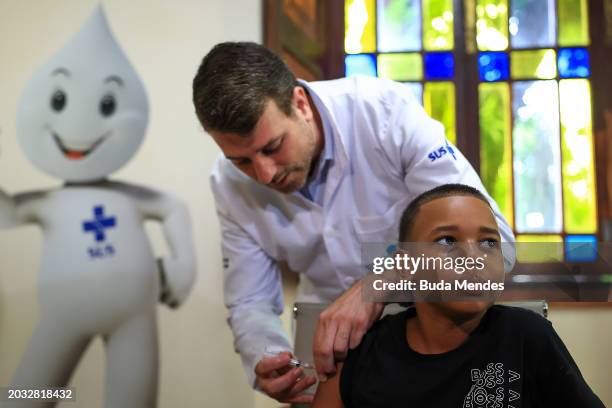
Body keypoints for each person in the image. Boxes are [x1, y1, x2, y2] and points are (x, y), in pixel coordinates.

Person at [192, 42, 515, 404]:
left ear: (300, 103)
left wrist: (377, 284)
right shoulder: (228, 184)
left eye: (273, 147)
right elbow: (250, 300)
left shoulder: (385, 114)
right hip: (329, 366)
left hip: (433, 348)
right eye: (242, 161)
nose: (264, 174)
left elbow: (496, 247)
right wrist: (265, 358)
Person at [312, 184, 605, 407]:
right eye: (447, 240)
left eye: (488, 242)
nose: (472, 257)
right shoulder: (360, 353)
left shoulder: (528, 337)